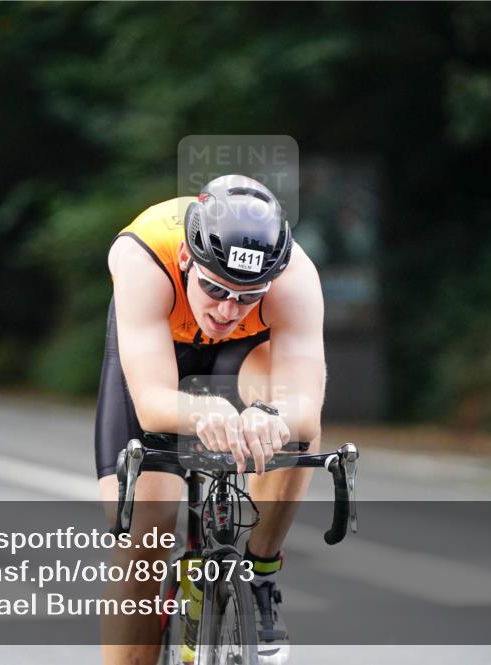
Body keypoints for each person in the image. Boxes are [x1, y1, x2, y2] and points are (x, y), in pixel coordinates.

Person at [95, 174, 325, 665]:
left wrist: (271, 418)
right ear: (186, 260)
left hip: (242, 359)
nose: (226, 308)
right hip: (159, 354)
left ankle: (261, 574)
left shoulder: (295, 278)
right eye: (215, 288)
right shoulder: (143, 255)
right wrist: (205, 409)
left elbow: (305, 409)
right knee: (145, 537)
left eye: (247, 295)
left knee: (296, 438)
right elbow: (154, 402)